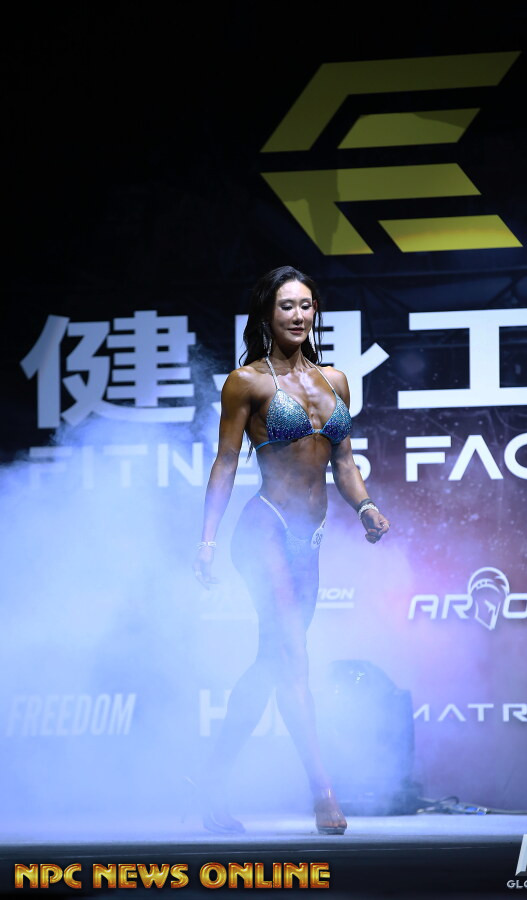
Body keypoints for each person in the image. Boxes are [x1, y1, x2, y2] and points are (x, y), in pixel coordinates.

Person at [194, 265, 390, 835]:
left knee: (270, 664)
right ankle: (322, 792)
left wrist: (365, 507)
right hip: (264, 532)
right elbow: (225, 463)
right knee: (294, 657)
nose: (298, 315)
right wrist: (206, 542)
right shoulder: (247, 382)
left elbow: (344, 464)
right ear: (266, 314)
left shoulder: (336, 381)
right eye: (287, 306)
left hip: (311, 539)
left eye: (306, 305)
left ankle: (208, 783)